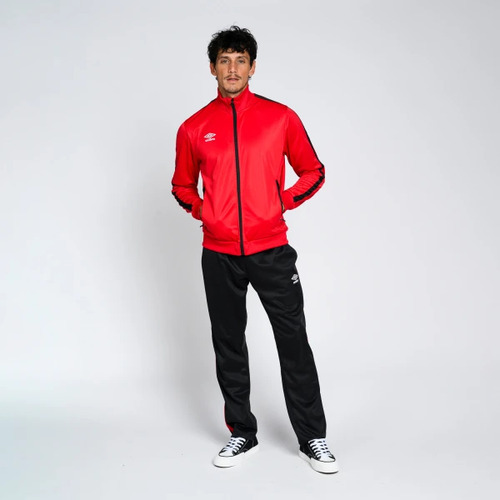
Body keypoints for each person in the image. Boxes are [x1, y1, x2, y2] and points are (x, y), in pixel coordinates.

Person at [171, 26, 338, 474]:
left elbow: (313, 171)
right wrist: (206, 213)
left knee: (293, 341)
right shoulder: (193, 128)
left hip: (271, 250)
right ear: (212, 68)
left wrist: (279, 202)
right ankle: (242, 433)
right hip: (218, 253)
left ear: (253, 67)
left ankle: (312, 437)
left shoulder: (280, 117)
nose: (232, 69)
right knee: (228, 343)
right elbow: (182, 185)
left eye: (240, 60)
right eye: (224, 61)